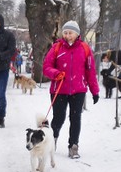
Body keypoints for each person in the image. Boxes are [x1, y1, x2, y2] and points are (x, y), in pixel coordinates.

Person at [42, 20, 100, 159]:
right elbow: (46, 67)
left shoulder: (85, 49)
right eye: (66, 33)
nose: (68, 35)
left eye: (71, 33)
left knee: (75, 118)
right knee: (59, 118)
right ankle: (53, 140)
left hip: (78, 89)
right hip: (59, 89)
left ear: (77, 34)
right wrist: (56, 73)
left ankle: (73, 146)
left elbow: (90, 72)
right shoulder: (56, 48)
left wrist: (95, 91)